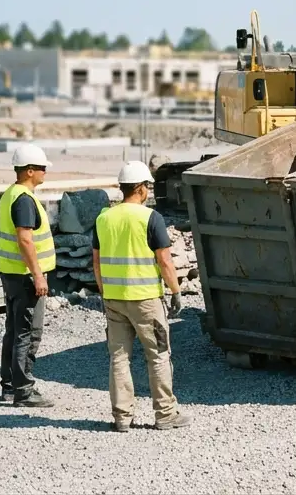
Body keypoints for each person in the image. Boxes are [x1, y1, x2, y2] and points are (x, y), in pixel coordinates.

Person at [93, 161, 190, 432]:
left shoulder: (104, 218)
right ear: (141, 188)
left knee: (119, 358)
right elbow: (165, 261)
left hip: (114, 299)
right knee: (158, 355)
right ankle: (165, 414)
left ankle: (122, 417)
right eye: (147, 186)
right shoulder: (150, 218)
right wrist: (176, 291)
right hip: (146, 300)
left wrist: (105, 292)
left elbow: (97, 262)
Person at [0, 144, 57, 407]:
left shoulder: (11, 194)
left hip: (12, 274)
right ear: (29, 170)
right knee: (27, 333)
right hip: (25, 277)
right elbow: (25, 240)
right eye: (42, 168)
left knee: (13, 331)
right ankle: (23, 391)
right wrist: (39, 276)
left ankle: (10, 386)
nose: (45, 172)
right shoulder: (23, 199)